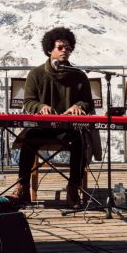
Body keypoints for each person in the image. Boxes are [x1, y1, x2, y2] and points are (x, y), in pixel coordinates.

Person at [8, 26, 95, 208]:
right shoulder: (36, 74)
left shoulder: (79, 76)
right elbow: (28, 102)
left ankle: (73, 187)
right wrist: (41, 107)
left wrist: (79, 106)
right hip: (43, 128)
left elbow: (89, 104)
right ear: (49, 49)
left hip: (68, 129)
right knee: (29, 139)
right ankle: (22, 186)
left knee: (80, 140)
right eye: (61, 47)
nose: (65, 51)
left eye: (68, 48)